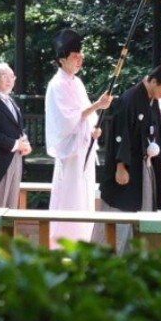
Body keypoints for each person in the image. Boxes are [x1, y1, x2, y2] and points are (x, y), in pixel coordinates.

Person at [97, 64, 161, 253]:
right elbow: (120, 134)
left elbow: (157, 130)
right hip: (127, 166)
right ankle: (115, 255)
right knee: (123, 211)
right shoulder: (130, 99)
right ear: (154, 81)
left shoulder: (152, 100)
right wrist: (120, 166)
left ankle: (140, 254)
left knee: (145, 208)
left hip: (145, 165)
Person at [45, 29, 112, 248]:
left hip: (83, 145)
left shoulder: (77, 82)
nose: (79, 59)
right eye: (75, 56)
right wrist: (98, 105)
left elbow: (86, 117)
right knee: (70, 195)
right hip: (70, 150)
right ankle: (63, 241)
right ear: (62, 59)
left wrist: (94, 129)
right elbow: (67, 119)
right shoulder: (57, 84)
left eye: (80, 56)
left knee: (84, 195)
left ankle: (83, 239)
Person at [0, 63, 32, 208]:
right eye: (4, 76)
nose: (10, 80)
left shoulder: (12, 102)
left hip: (16, 157)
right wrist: (15, 144)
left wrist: (25, 143)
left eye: (12, 76)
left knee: (11, 204)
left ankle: (8, 231)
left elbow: (18, 129)